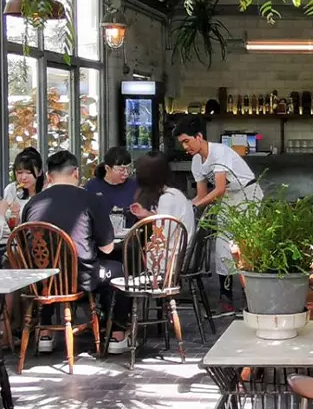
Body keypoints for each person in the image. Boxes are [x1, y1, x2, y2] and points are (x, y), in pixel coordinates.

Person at [22, 150, 127, 353]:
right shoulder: (90, 199)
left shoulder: (32, 203)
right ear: (76, 173)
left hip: (41, 279)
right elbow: (107, 248)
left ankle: (45, 331)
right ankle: (117, 334)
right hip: (81, 276)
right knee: (119, 271)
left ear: (48, 176)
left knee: (50, 273)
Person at [176, 118, 260, 312]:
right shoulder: (196, 161)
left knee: (246, 246)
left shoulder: (219, 151)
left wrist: (194, 207)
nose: (185, 146)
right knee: (223, 246)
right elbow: (201, 195)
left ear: (199, 136)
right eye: (182, 143)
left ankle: (252, 295)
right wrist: (185, 207)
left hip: (248, 194)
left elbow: (219, 188)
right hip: (229, 197)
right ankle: (226, 295)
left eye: (187, 141)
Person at [131, 151, 196, 240]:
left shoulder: (167, 199)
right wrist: (148, 215)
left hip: (173, 248)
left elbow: (161, 237)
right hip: (179, 246)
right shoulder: (175, 193)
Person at [85, 146, 139, 213]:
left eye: (128, 168)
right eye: (121, 170)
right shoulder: (92, 187)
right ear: (107, 168)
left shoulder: (135, 187)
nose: (126, 173)